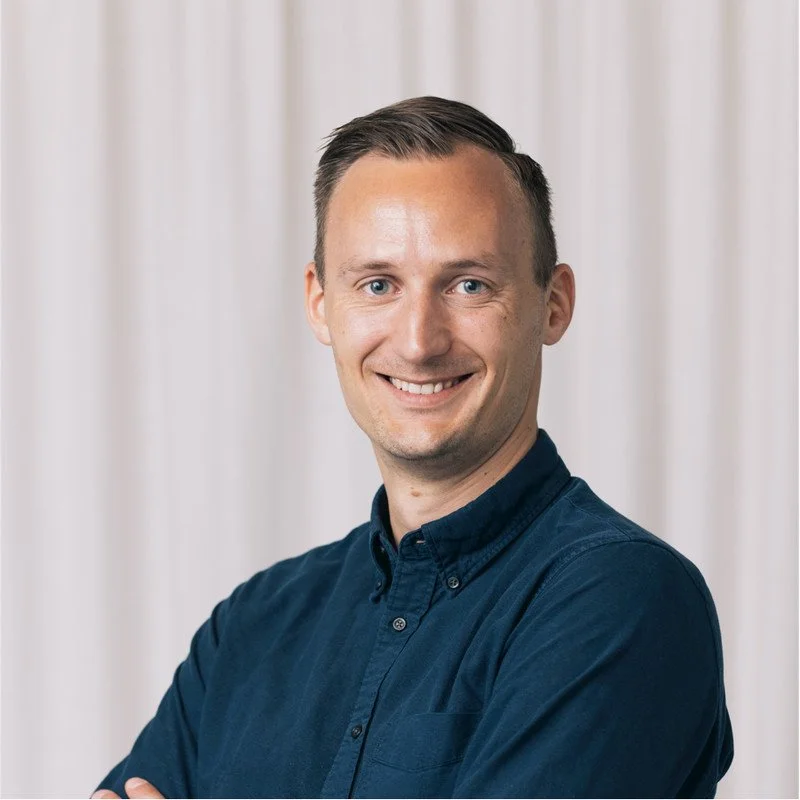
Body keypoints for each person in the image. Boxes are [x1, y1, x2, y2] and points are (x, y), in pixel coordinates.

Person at [92, 96, 733, 799]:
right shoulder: (253, 626)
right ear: (320, 304)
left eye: (468, 285)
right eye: (378, 285)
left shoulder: (620, 599)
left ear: (553, 304)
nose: (420, 341)